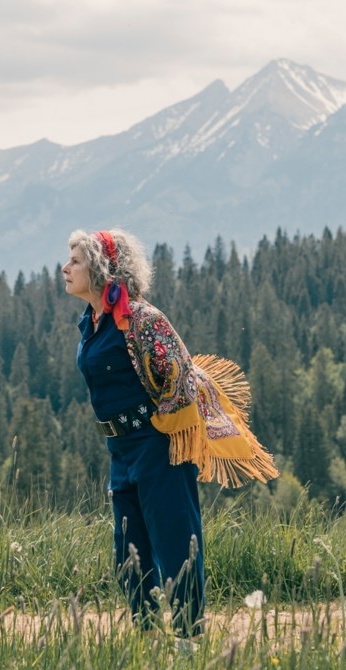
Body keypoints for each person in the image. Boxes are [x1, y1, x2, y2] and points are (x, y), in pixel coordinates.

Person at [63, 228, 277, 642]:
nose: (65, 268)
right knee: (129, 551)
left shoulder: (142, 319)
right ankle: (145, 638)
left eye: (75, 260)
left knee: (177, 542)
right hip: (120, 450)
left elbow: (180, 379)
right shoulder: (92, 323)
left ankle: (188, 641)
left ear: (102, 268)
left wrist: (164, 432)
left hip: (157, 446)